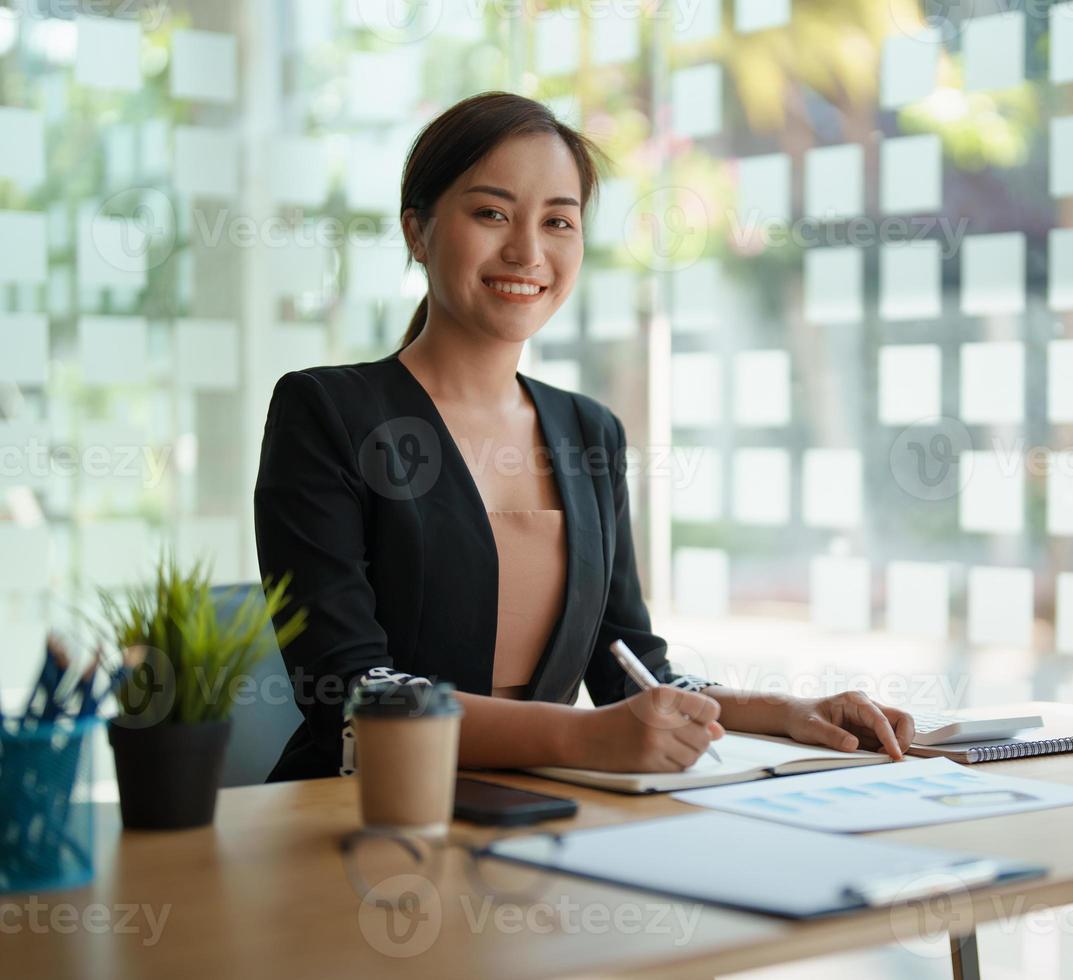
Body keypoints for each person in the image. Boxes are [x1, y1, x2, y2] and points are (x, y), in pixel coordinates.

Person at [255, 92, 915, 781]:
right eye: (491, 214)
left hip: (540, 819)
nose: (527, 250)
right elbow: (356, 698)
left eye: (559, 222)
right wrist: (583, 739)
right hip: (360, 817)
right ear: (417, 232)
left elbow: (631, 671)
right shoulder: (326, 411)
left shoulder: (586, 431)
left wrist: (785, 710)